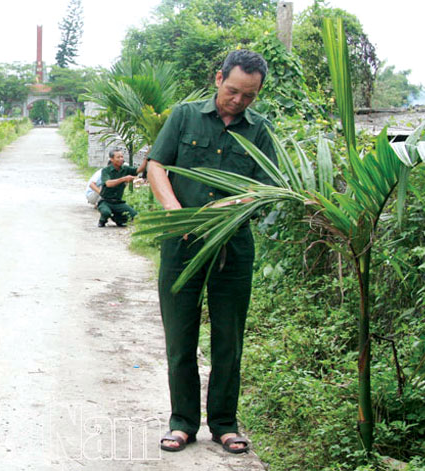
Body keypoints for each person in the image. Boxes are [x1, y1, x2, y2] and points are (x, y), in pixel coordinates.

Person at [145, 50, 276, 454]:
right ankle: (182, 422)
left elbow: (266, 190)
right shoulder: (184, 116)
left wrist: (228, 210)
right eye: (233, 90)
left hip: (233, 247)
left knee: (228, 337)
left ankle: (223, 423)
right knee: (180, 335)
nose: (238, 101)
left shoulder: (260, 131)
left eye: (248, 96)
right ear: (219, 78)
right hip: (181, 243)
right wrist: (175, 212)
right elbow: (155, 165)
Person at [97, 148, 147, 227]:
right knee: (106, 212)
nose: (121, 159)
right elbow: (108, 184)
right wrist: (124, 179)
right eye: (118, 157)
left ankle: (118, 218)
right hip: (105, 201)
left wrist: (147, 157)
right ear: (112, 159)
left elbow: (139, 170)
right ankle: (102, 220)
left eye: (122, 157)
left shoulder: (125, 169)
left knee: (134, 215)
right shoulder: (106, 170)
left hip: (118, 202)